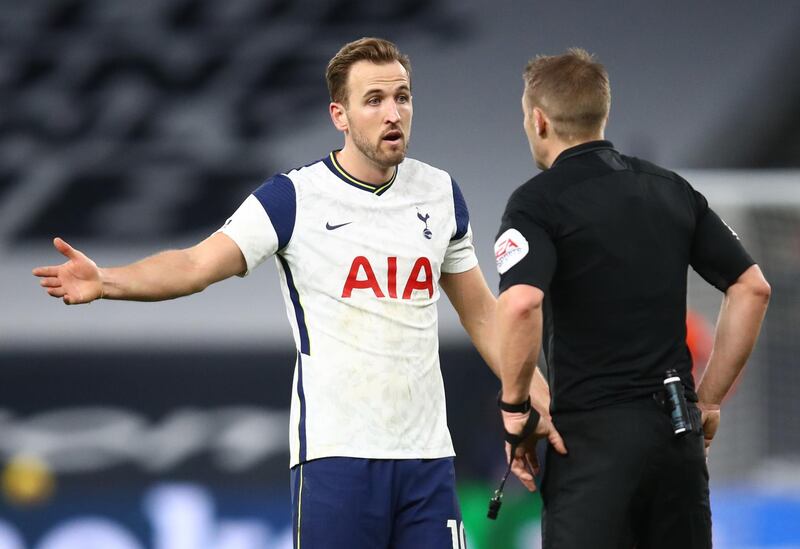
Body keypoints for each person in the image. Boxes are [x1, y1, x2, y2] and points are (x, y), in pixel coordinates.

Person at [32, 37, 564, 549]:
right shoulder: (293, 198)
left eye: (402, 97)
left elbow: (482, 314)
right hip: (335, 459)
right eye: (374, 100)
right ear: (340, 115)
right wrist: (107, 281)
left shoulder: (440, 192)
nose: (393, 113)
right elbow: (196, 264)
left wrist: (536, 394)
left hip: (426, 459)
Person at [493, 48, 770, 549]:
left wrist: (516, 409)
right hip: (676, 436)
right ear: (602, 113)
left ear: (538, 121)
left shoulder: (537, 202)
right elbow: (752, 287)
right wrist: (705, 402)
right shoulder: (672, 190)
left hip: (591, 444)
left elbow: (519, 305)